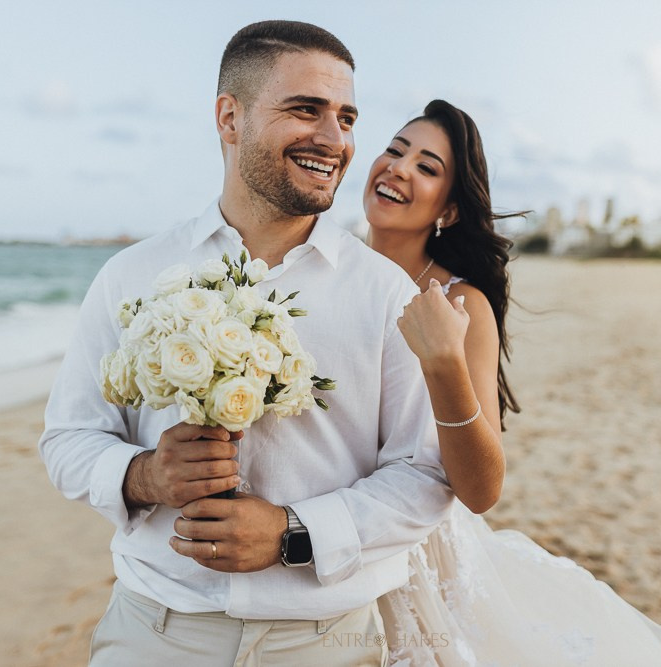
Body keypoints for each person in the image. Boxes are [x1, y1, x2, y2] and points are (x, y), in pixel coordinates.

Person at [39, 21, 453, 666]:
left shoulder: (384, 293)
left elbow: (425, 474)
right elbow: (68, 438)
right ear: (229, 118)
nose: (334, 139)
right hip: (156, 631)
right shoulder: (132, 274)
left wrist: (294, 535)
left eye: (346, 118)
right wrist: (144, 475)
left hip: (327, 642)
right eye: (305, 110)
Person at [365, 100, 661, 666]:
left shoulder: (462, 305)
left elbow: (482, 491)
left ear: (450, 210)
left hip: (414, 566)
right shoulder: (321, 270)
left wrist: (444, 363)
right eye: (394, 149)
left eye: (427, 167)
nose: (399, 168)